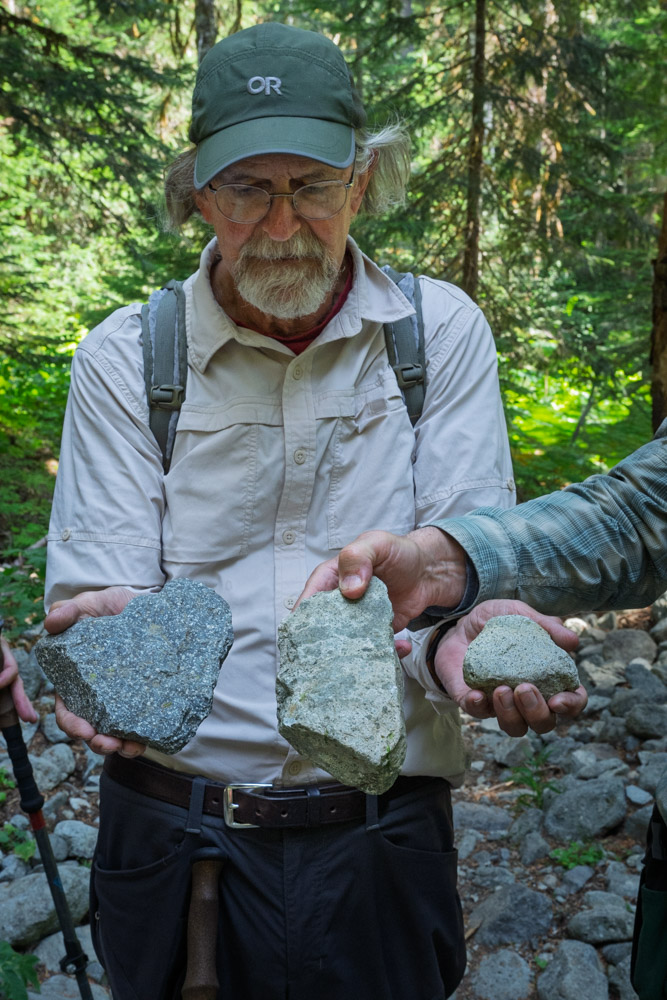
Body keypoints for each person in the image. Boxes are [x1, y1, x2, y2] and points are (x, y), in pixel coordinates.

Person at [39, 20, 582, 1000]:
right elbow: (103, 601)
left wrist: (462, 639)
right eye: (248, 189)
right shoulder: (128, 357)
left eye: (313, 187)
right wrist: (107, 650)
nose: (282, 226)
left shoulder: (437, 334)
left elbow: (462, 562)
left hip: (381, 834)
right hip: (175, 836)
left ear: (360, 184)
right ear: (199, 193)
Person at [299, 419, 666, 732]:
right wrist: (437, 568)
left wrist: (438, 579)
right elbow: (639, 514)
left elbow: (639, 517)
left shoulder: (440, 355)